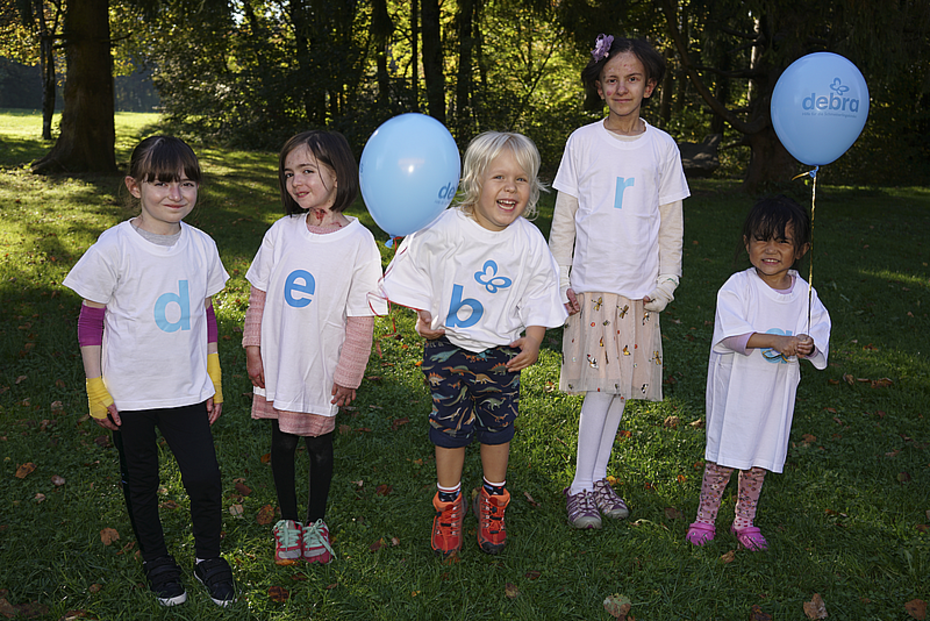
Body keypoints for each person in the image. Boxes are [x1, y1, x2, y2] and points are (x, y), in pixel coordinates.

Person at [64, 136, 234, 607]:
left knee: (204, 478)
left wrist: (213, 376)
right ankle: (157, 559)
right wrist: (96, 386)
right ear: (134, 186)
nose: (175, 194)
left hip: (185, 388)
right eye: (161, 183)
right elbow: (90, 318)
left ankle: (208, 558)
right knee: (141, 480)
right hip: (130, 394)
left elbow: (207, 314)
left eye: (186, 183)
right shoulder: (114, 246)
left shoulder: (202, 246)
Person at [381, 131, 567, 558]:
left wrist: (535, 339)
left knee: (497, 427)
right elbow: (418, 270)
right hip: (448, 349)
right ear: (474, 181)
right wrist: (423, 317)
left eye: (521, 180)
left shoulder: (528, 241)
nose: (510, 188)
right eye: (498, 177)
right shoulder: (445, 227)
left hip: (502, 354)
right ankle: (448, 503)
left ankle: (493, 500)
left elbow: (542, 291)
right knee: (448, 428)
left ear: (533, 188)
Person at [549, 34, 691, 528]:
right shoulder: (583, 142)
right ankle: (579, 486)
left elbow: (670, 222)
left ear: (649, 86)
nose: (622, 88)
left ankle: (598, 476)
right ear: (599, 86)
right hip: (591, 286)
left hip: (638, 290)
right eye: (612, 79)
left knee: (619, 388)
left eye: (632, 79)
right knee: (599, 386)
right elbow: (564, 217)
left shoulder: (662, 147)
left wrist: (667, 279)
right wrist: (557, 277)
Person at [243, 130, 386, 566]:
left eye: (308, 170)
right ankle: (288, 522)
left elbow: (362, 316)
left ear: (338, 173)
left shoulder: (358, 242)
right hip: (281, 362)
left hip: (323, 367)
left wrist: (348, 374)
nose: (296, 182)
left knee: (320, 446)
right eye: (289, 173)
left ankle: (315, 523)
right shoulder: (281, 232)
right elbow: (259, 294)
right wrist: (253, 347)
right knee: (282, 442)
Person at [686, 195, 831, 551]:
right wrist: (777, 341)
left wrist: (807, 346)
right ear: (747, 242)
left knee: (759, 457)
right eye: (761, 238)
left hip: (774, 393)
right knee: (724, 454)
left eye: (782, 240)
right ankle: (705, 517)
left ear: (801, 249)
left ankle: (744, 521)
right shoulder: (738, 286)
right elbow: (732, 335)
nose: (771, 249)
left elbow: (818, 334)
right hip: (735, 389)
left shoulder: (804, 293)